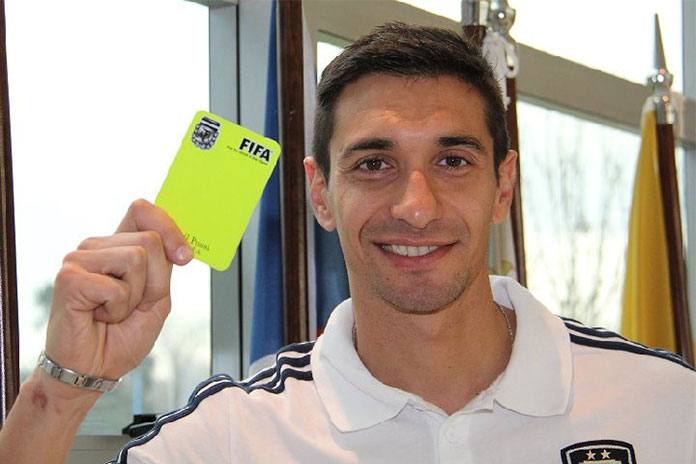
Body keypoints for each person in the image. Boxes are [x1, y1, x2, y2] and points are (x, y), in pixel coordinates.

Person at [1, 22, 694, 464]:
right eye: (374, 163)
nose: (416, 207)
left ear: (503, 187)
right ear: (321, 193)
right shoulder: (234, 437)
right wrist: (58, 393)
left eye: (453, 160)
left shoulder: (669, 407)